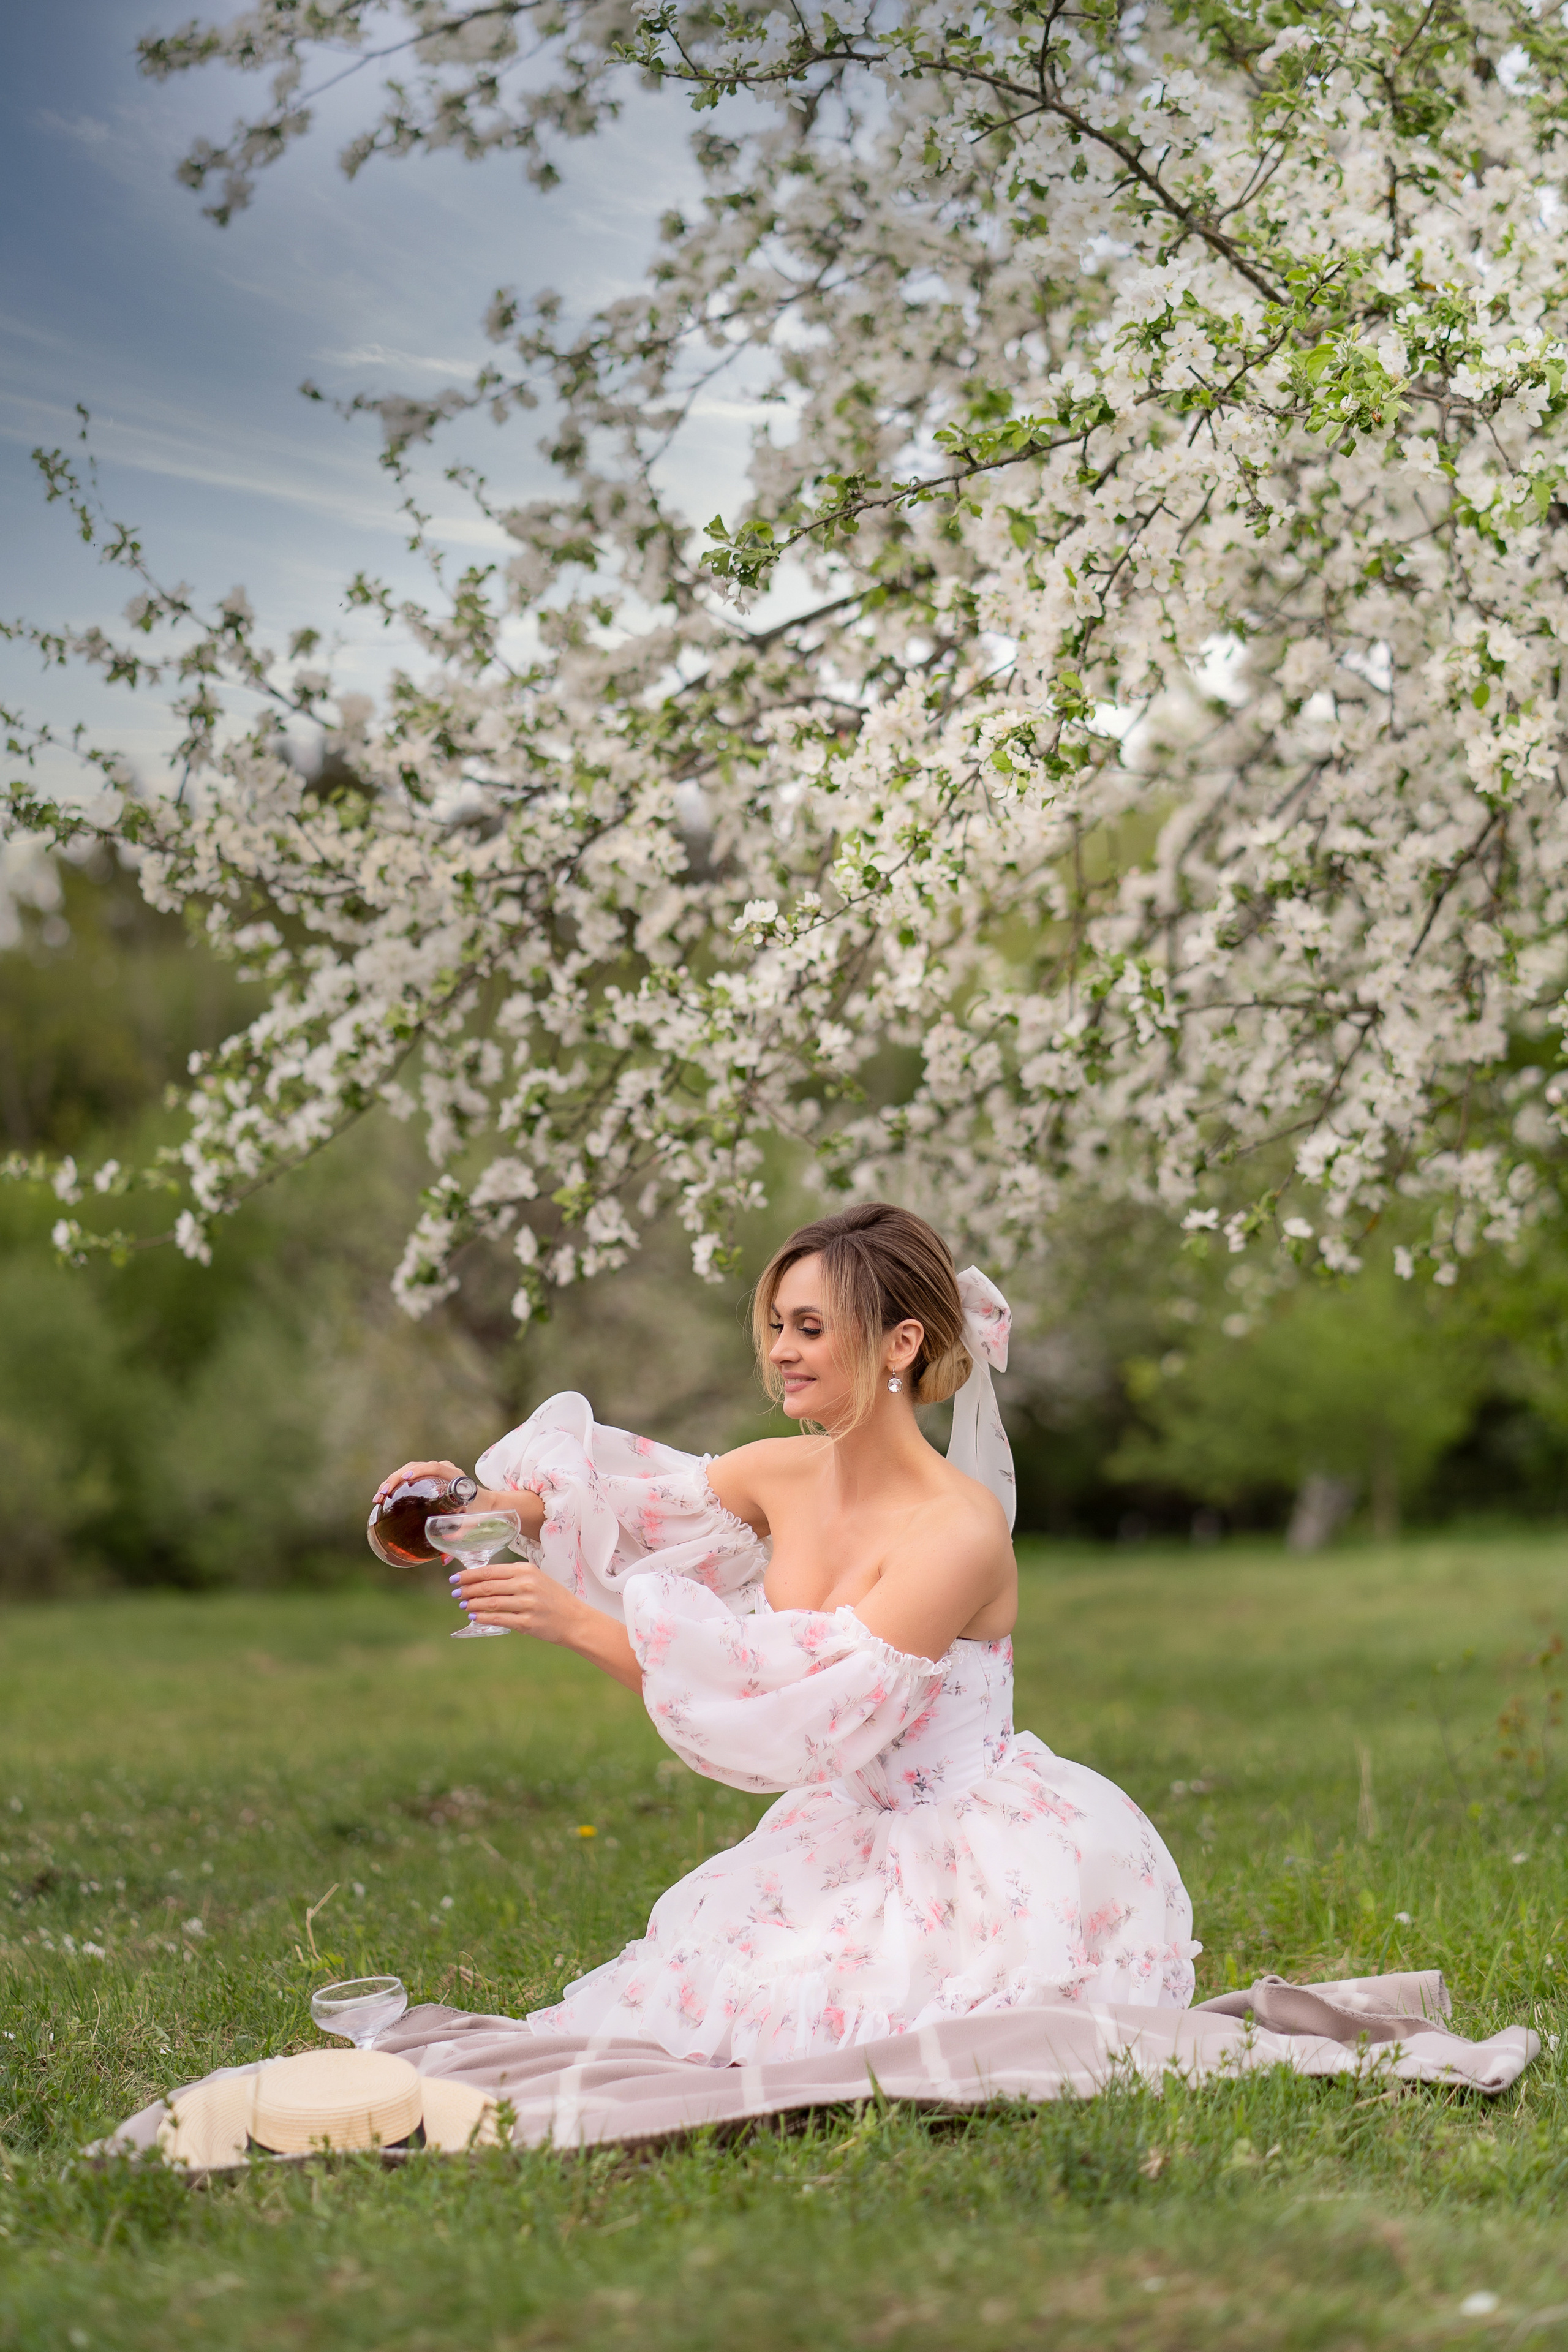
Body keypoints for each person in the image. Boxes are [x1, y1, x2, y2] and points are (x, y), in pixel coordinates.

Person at [374, 1203, 1197, 2065]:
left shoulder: (959, 1529)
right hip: (846, 1826)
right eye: (776, 1326)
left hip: (973, 1861)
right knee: (687, 2004)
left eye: (810, 1328)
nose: (780, 1352)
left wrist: (574, 1623)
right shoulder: (782, 1471)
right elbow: (621, 1511)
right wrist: (475, 1503)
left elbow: (794, 1719)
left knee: (853, 2038)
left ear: (902, 1344)